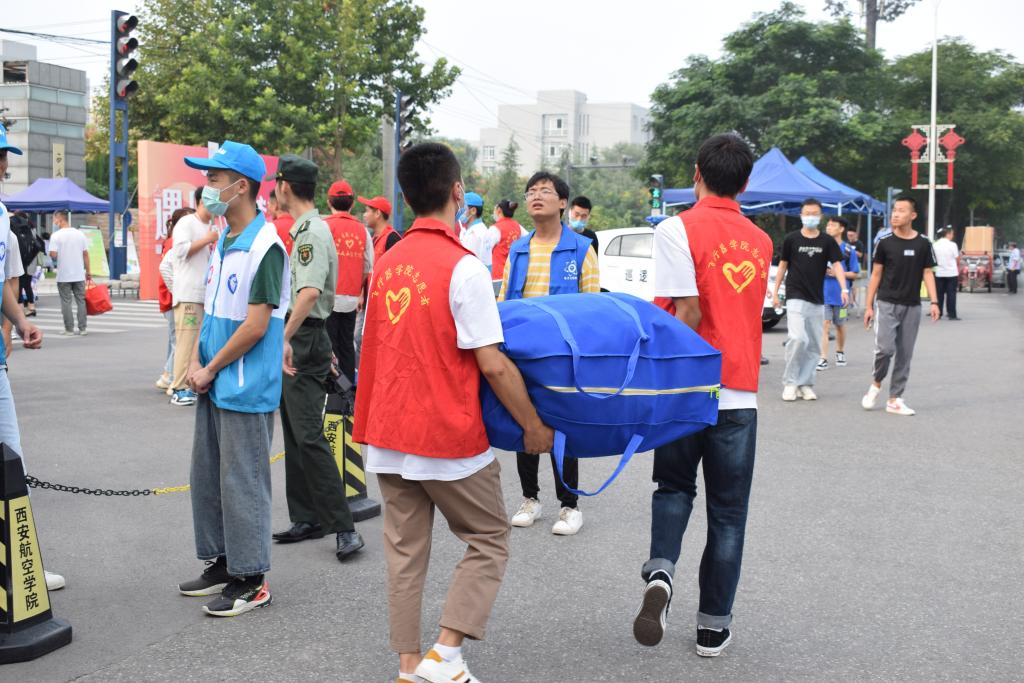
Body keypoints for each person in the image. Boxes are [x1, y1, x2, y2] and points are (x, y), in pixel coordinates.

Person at [353, 141, 553, 683]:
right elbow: (493, 364)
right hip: (445, 433)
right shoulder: (464, 267)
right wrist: (533, 425)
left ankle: (408, 666)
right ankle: (446, 654)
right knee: (488, 538)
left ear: (405, 197)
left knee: (404, 552)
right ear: (458, 192)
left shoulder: (388, 263)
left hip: (388, 431)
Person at [633, 132, 773, 658]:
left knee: (673, 488)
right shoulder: (760, 241)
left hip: (687, 388)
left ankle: (661, 573)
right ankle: (713, 627)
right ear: (746, 182)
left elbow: (687, 312)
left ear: (696, 173)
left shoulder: (677, 227)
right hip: (739, 394)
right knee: (729, 514)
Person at [175, 141, 288, 617]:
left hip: (243, 384)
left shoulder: (266, 246)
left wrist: (210, 367)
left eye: (215, 179)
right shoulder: (223, 239)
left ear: (241, 187)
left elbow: (256, 325)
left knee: (242, 482)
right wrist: (193, 362)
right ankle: (223, 562)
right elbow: (213, 310)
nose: (207, 187)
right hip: (214, 379)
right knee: (208, 476)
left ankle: (252, 577)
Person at [271, 157, 364, 561]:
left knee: (307, 433)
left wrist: (283, 337)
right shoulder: (310, 228)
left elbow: (309, 293)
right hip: (310, 335)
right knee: (295, 431)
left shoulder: (310, 231)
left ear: (284, 187)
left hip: (304, 336)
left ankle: (344, 526)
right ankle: (307, 516)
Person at [498, 171, 600, 536]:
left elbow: (591, 307)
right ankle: (530, 499)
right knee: (522, 422)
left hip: (562, 356)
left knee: (563, 428)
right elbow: (504, 302)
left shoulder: (581, 249)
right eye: (531, 192)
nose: (535, 196)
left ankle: (569, 505)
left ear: (562, 203)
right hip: (522, 354)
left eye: (545, 191)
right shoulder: (517, 250)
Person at [0, 123, 62, 591]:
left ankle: (20, 573)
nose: (4, 165)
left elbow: (6, 281)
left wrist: (21, 322)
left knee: (11, 461)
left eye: (4, 156)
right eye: (1, 156)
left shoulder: (2, 215)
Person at [862, 196, 939, 416]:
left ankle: (894, 399)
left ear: (913, 215)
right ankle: (876, 383)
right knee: (885, 349)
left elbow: (927, 273)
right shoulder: (884, 242)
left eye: (901, 210)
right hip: (886, 303)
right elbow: (876, 275)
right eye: (894, 210)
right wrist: (869, 306)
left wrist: (934, 302)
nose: (895, 214)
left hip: (912, 306)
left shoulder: (923, 243)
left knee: (905, 354)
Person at [771, 199, 848, 401]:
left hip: (817, 298)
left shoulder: (827, 241)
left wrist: (844, 288)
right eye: (807, 213)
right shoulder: (791, 239)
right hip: (795, 294)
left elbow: (837, 265)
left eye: (814, 213)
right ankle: (790, 383)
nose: (810, 217)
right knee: (798, 338)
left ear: (820, 216)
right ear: (801, 215)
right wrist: (776, 292)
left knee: (813, 344)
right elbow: (783, 265)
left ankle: (805, 383)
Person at [166, 187, 218, 407]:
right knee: (186, 343)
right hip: (189, 295)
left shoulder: (210, 227)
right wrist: (207, 240)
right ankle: (178, 388)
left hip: (204, 295)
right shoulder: (187, 223)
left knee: (198, 344)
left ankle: (190, 384)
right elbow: (179, 251)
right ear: (202, 201)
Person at [323, 180, 373, 385]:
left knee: (330, 346)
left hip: (327, 299)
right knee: (346, 346)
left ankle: (333, 391)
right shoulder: (362, 230)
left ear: (329, 202)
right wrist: (357, 287)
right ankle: (348, 391)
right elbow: (368, 265)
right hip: (351, 299)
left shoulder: (324, 226)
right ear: (352, 204)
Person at [157, 208, 197, 393]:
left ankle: (168, 376)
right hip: (175, 299)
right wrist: (179, 291)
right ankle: (173, 379)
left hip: (172, 298)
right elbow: (165, 268)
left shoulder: (173, 241)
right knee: (180, 341)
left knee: (175, 339)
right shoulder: (177, 243)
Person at [817, 216, 859, 370]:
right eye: (828, 225)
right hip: (823, 295)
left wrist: (837, 273)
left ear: (841, 229)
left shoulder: (848, 250)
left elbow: (854, 273)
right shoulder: (820, 247)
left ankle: (840, 352)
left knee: (840, 325)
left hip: (842, 297)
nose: (828, 227)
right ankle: (823, 357)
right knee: (825, 324)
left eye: (832, 225)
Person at [47, 210, 90, 336]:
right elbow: (85, 254)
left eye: (54, 219)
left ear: (59, 219)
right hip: (79, 274)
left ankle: (69, 329)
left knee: (66, 302)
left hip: (64, 275)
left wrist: (52, 253)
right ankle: (83, 328)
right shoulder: (80, 234)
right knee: (81, 301)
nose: (54, 222)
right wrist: (88, 271)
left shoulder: (56, 236)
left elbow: (53, 255)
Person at [459, 191, 500, 272]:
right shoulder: (479, 229)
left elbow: (469, 263)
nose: (460, 211)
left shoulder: (475, 233)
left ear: (473, 210)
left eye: (463, 208)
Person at [11, 212, 42, 316]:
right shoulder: (31, 228)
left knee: (19, 286)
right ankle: (31, 306)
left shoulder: (17, 229)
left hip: (22, 261)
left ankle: (21, 310)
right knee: (27, 285)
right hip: (31, 261)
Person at [489, 199, 526, 283]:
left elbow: (485, 252)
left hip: (499, 276)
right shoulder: (518, 226)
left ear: (499, 210)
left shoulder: (495, 229)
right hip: (514, 276)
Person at [932, 226, 961, 318]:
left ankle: (938, 313)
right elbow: (957, 258)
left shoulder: (935, 245)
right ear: (947, 234)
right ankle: (951, 314)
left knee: (939, 294)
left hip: (939, 272)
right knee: (951, 294)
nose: (952, 236)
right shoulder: (953, 245)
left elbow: (933, 258)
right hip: (951, 273)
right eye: (952, 234)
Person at [268, 189, 295, 254]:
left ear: (276, 205)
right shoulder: (300, 224)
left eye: (269, 204)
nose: (268, 209)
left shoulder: (271, 227)